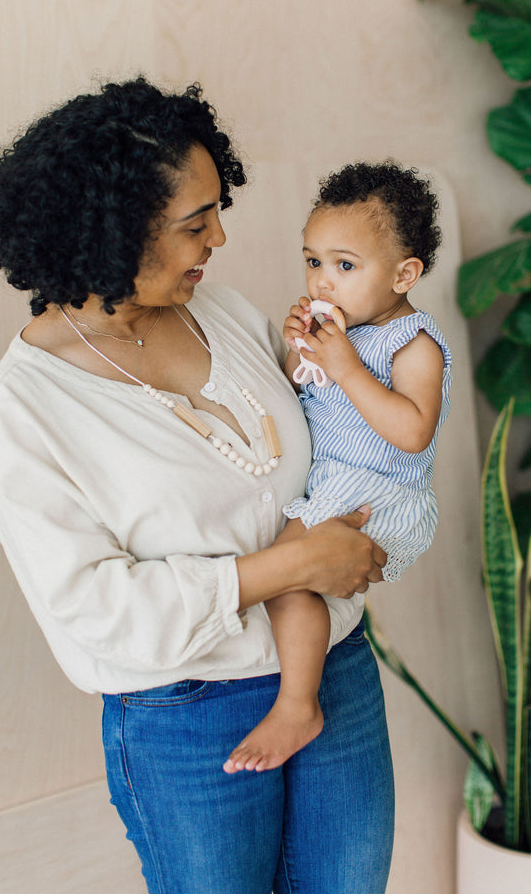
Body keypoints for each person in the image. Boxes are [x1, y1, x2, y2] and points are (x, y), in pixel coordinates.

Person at [0, 78, 394, 894]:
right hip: (187, 713)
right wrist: (293, 566)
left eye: (216, 212)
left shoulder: (224, 314)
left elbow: (318, 445)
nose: (219, 238)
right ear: (110, 233)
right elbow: (97, 609)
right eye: (195, 224)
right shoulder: (24, 408)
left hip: (331, 665)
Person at [225, 162, 451, 775]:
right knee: (287, 575)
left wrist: (346, 365)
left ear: (404, 275)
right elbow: (304, 396)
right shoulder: (339, 331)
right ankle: (298, 697)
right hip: (334, 481)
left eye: (345, 266)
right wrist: (304, 354)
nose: (323, 281)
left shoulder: (414, 344)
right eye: (313, 261)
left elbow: (413, 432)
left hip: (376, 491)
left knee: (286, 578)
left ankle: (298, 705)